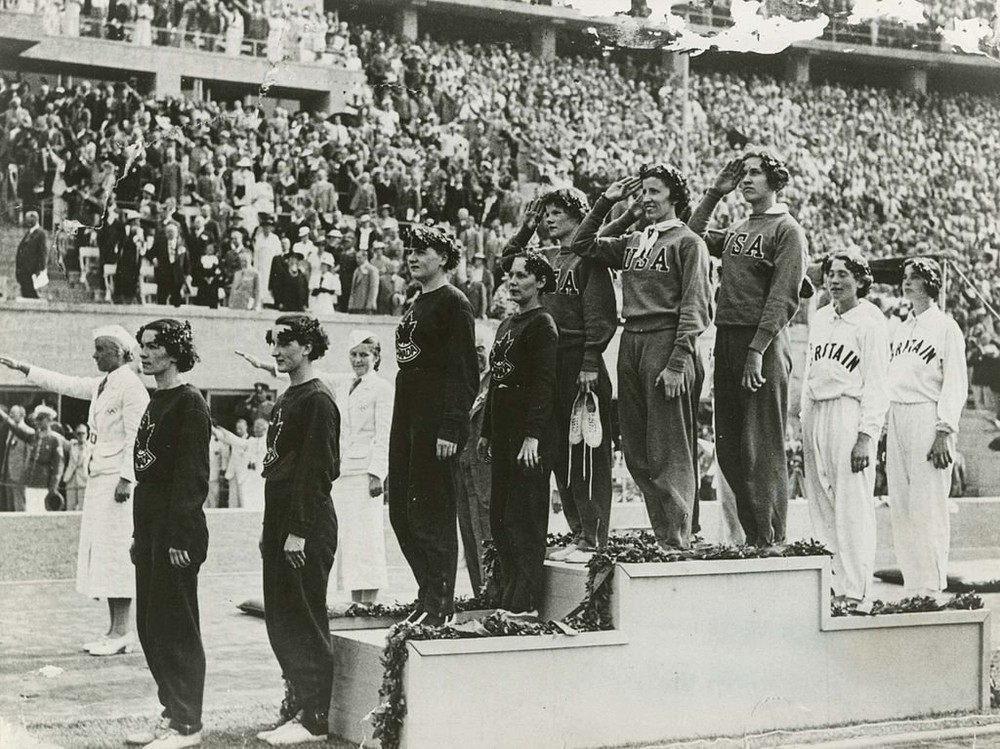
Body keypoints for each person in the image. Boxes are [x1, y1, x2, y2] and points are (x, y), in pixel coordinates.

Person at [572, 165, 711, 552]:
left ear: (675, 198)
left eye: (655, 192)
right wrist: (611, 204)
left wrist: (679, 361)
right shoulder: (636, 239)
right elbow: (583, 245)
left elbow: (696, 307)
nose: (647, 198)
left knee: (669, 446)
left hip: (666, 340)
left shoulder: (687, 242)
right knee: (635, 448)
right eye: (644, 192)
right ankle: (664, 532)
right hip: (631, 338)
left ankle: (678, 536)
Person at [0, 326, 149, 655]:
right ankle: (114, 630)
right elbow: (64, 382)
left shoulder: (133, 388)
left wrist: (127, 478)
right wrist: (24, 368)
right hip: (100, 479)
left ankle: (122, 631)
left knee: (116, 554)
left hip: (118, 485)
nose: (94, 355)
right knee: (103, 555)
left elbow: (139, 438)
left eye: (100, 349)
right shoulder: (103, 384)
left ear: (122, 353)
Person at [688, 151, 808, 549]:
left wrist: (757, 349)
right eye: (743, 174)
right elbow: (691, 236)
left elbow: (784, 297)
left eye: (755, 173)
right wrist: (714, 193)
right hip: (727, 338)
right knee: (728, 444)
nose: (746, 180)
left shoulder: (788, 230)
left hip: (764, 344)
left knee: (761, 445)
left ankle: (771, 537)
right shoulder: (739, 228)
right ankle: (753, 535)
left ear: (775, 181)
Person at [506, 187, 616, 562]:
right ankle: (577, 530)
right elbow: (508, 260)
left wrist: (589, 360)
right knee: (559, 452)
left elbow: (600, 314)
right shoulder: (545, 257)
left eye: (557, 212)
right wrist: (527, 226)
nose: (549, 219)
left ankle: (594, 535)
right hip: (548, 359)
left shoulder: (587, 256)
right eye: (546, 213)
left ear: (578, 214)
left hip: (578, 359)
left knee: (586, 448)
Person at [255, 315, 340, 746]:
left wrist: (299, 531)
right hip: (283, 522)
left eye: (284, 342)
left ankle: (315, 716)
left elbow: (318, 471)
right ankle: (298, 705)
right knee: (282, 618)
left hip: (304, 525)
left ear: (306, 346)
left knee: (303, 618)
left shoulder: (318, 400)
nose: (275, 350)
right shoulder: (291, 395)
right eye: (272, 342)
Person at [127, 319, 210, 749]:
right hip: (152, 525)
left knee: (175, 626)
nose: (144, 353)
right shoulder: (156, 398)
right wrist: (142, 535)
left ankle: (188, 725)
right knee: (149, 625)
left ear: (173, 353)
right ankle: (172, 711)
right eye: (142, 345)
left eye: (153, 346)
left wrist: (180, 537)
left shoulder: (189, 402)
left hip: (177, 532)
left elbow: (192, 477)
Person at [389, 224, 477, 626]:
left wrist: (451, 427)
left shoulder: (453, 303)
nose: (413, 256)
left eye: (422, 250)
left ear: (443, 257)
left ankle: (441, 601)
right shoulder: (416, 302)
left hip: (434, 420)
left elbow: (463, 373)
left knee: (433, 512)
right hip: (407, 414)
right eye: (410, 250)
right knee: (403, 514)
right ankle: (427, 591)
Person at [801, 252, 889, 608]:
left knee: (852, 505)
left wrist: (867, 436)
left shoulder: (871, 321)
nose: (834, 281)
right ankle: (835, 588)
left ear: (860, 280)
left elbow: (878, 384)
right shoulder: (821, 318)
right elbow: (809, 374)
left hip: (849, 413)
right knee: (821, 504)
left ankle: (858, 591)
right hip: (817, 411)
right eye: (830, 274)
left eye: (843, 275)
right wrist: (804, 421)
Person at [478, 252, 559, 615]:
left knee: (523, 519)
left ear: (540, 282)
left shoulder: (543, 325)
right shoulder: (507, 324)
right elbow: (497, 382)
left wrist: (534, 436)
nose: (512, 281)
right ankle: (508, 591)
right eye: (510, 275)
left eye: (522, 275)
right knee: (499, 517)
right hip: (504, 435)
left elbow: (544, 386)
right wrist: (486, 431)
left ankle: (524, 600)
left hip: (528, 440)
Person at [886, 258, 967, 597]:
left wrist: (945, 430)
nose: (907, 283)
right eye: (905, 277)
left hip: (927, 415)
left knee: (928, 505)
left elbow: (955, 382)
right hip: (897, 415)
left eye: (915, 277)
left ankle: (931, 587)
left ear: (931, 283)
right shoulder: (901, 328)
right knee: (902, 504)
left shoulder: (945, 326)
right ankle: (913, 585)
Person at [454, 327, 494, 595]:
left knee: (488, 531)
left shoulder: (496, 381)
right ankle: (479, 593)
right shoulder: (462, 382)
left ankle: (493, 593)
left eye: (481, 348)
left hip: (487, 469)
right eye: (472, 348)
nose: (476, 354)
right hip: (462, 468)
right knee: (468, 532)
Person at [0, 404, 64, 514]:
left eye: (40, 419)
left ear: (49, 419)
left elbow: (58, 466)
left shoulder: (54, 440)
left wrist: (53, 487)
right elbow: (16, 429)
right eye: (36, 419)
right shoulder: (34, 436)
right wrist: (2, 414)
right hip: (30, 482)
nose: (37, 422)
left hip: (44, 485)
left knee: (42, 514)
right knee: (30, 513)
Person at [214, 418, 267, 510]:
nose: (255, 429)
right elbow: (236, 441)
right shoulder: (252, 441)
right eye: (254, 427)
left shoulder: (269, 441)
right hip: (250, 478)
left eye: (258, 427)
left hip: (262, 477)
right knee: (248, 504)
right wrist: (221, 431)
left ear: (265, 428)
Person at [0, 405, 30, 512]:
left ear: (22, 415)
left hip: (19, 476)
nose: (11, 415)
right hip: (7, 474)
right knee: (9, 506)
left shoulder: (28, 431)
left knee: (19, 505)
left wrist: (24, 474)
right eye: (10, 412)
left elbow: (28, 456)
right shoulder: (9, 431)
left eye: (14, 413)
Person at [15, 210, 48, 299]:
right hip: (24, 270)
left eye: (27, 219)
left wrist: (40, 269)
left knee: (32, 295)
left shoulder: (41, 233)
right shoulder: (29, 233)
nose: (26, 221)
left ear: (34, 219)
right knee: (25, 293)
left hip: (32, 270)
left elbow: (43, 252)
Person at [64, 423, 92, 511]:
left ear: (87, 434)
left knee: (83, 507)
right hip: (71, 479)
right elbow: (61, 440)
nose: (81, 436)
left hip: (83, 479)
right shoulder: (72, 445)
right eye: (78, 433)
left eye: (83, 433)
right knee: (70, 507)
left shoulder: (91, 447)